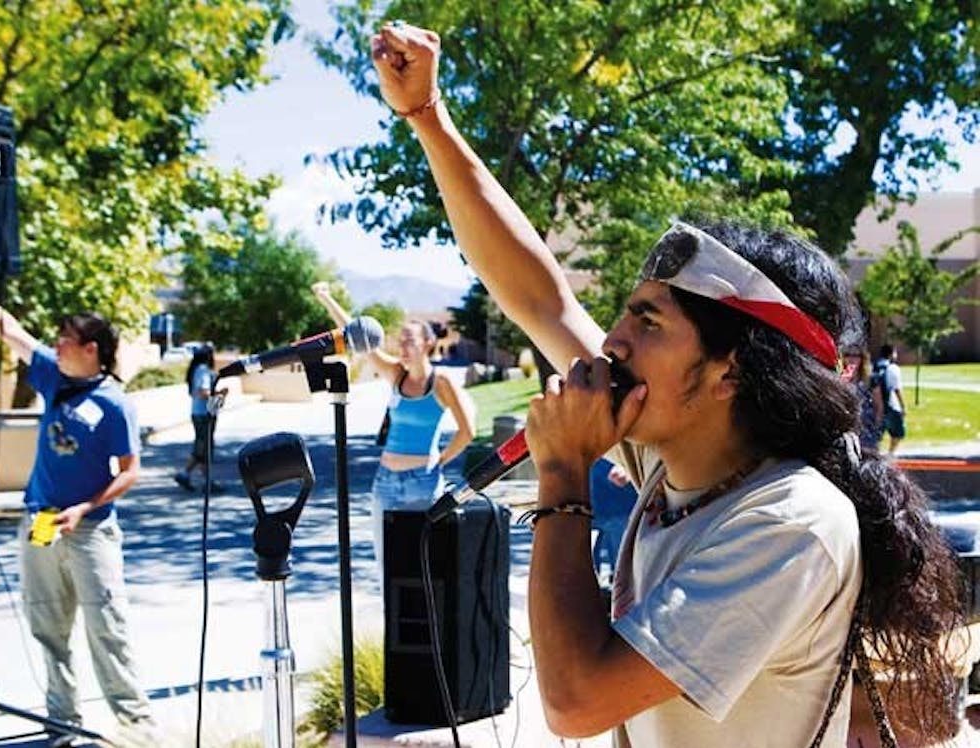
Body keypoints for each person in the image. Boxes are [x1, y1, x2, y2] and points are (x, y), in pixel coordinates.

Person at [366, 23, 962, 746]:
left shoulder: (790, 520)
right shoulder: (679, 468)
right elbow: (542, 300)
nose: (612, 341)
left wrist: (562, 478)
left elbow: (578, 703)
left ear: (729, 370)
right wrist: (428, 116)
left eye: (647, 322)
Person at [0, 291, 154, 746]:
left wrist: (86, 506)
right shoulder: (54, 379)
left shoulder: (115, 404)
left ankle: (135, 726)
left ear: (91, 349)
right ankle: (63, 721)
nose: (56, 346)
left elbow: (131, 470)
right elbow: (10, 330)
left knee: (106, 625)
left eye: (65, 340)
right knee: (47, 626)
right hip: (40, 523)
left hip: (91, 530)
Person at [312, 282, 476, 566]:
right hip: (385, 480)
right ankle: (390, 610)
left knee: (421, 561)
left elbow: (467, 431)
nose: (402, 346)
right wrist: (326, 299)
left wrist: (440, 460)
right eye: (400, 340)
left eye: (409, 340)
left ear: (427, 344)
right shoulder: (396, 374)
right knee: (387, 560)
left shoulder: (441, 382)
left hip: (422, 483)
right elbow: (359, 337)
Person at [174, 344, 220, 491]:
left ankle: (207, 482)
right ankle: (185, 473)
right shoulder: (203, 370)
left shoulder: (196, 370)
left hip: (198, 412)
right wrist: (218, 395)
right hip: (204, 414)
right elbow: (203, 392)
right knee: (203, 447)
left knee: (204, 447)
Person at [840, 345, 883, 451]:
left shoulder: (871, 379)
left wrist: (876, 427)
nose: (851, 359)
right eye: (848, 355)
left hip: (867, 430)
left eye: (856, 355)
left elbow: (879, 405)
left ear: (862, 358)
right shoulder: (839, 379)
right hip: (848, 430)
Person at [873, 343, 906, 455]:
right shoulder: (893, 368)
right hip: (891, 406)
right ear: (892, 354)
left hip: (876, 407)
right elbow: (897, 389)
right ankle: (890, 455)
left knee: (876, 434)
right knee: (897, 434)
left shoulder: (874, 367)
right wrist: (903, 406)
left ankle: (875, 454)